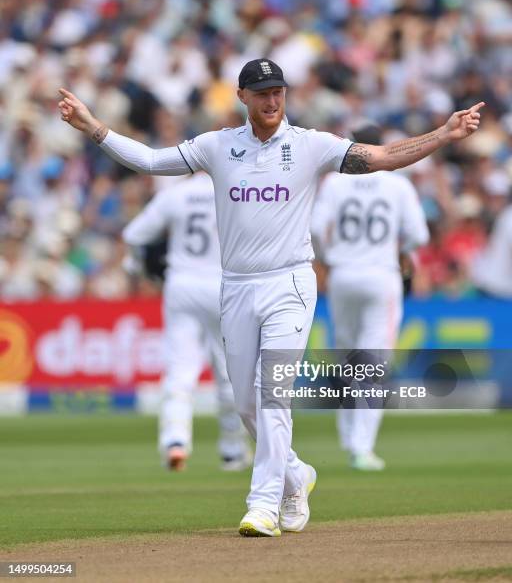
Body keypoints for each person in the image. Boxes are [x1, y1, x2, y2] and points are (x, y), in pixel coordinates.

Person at [58, 58, 484, 537]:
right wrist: (93, 127)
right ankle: (296, 475)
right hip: (236, 286)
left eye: (278, 90)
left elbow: (382, 156)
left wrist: (443, 134)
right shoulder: (217, 146)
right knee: (246, 405)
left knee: (272, 395)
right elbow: (152, 161)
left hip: (290, 283)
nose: (272, 100)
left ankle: (262, 504)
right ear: (242, 96)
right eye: (261, 92)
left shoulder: (309, 145)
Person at [311, 124, 429, 472]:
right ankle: (361, 447)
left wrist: (328, 257)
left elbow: (316, 228)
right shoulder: (397, 183)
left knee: (347, 359)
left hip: (343, 275)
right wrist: (403, 251)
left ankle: (348, 436)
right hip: (380, 275)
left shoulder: (335, 182)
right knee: (373, 363)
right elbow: (418, 234)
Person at [122, 173, 250, 472]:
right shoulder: (234, 189)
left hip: (181, 285)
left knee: (180, 371)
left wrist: (138, 265)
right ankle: (232, 450)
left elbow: (133, 235)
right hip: (224, 286)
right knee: (230, 373)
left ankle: (175, 441)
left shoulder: (176, 194)